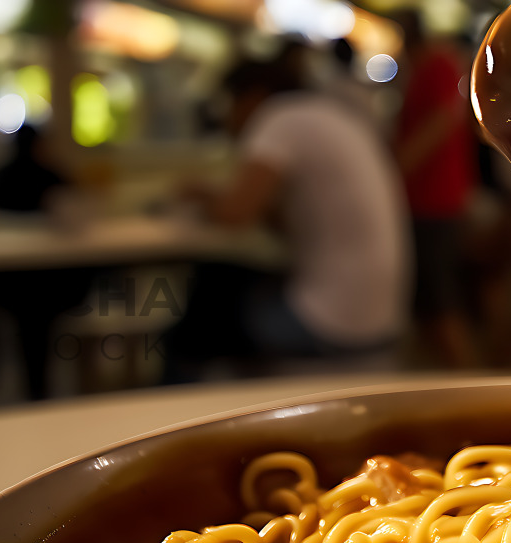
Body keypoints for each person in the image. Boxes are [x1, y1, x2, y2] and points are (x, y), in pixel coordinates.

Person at [167, 45, 408, 372]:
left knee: (203, 312)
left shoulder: (279, 117)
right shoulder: (333, 115)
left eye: (229, 104)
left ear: (251, 97)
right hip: (384, 320)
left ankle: (177, 409)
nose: (227, 119)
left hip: (332, 324)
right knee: (234, 291)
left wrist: (201, 195)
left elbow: (233, 215)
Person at [392, 11, 479, 367]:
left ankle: (471, 392)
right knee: (432, 303)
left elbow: (444, 119)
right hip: (427, 198)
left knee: (441, 302)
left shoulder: (438, 64)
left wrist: (397, 166)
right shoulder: (427, 67)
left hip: (435, 200)